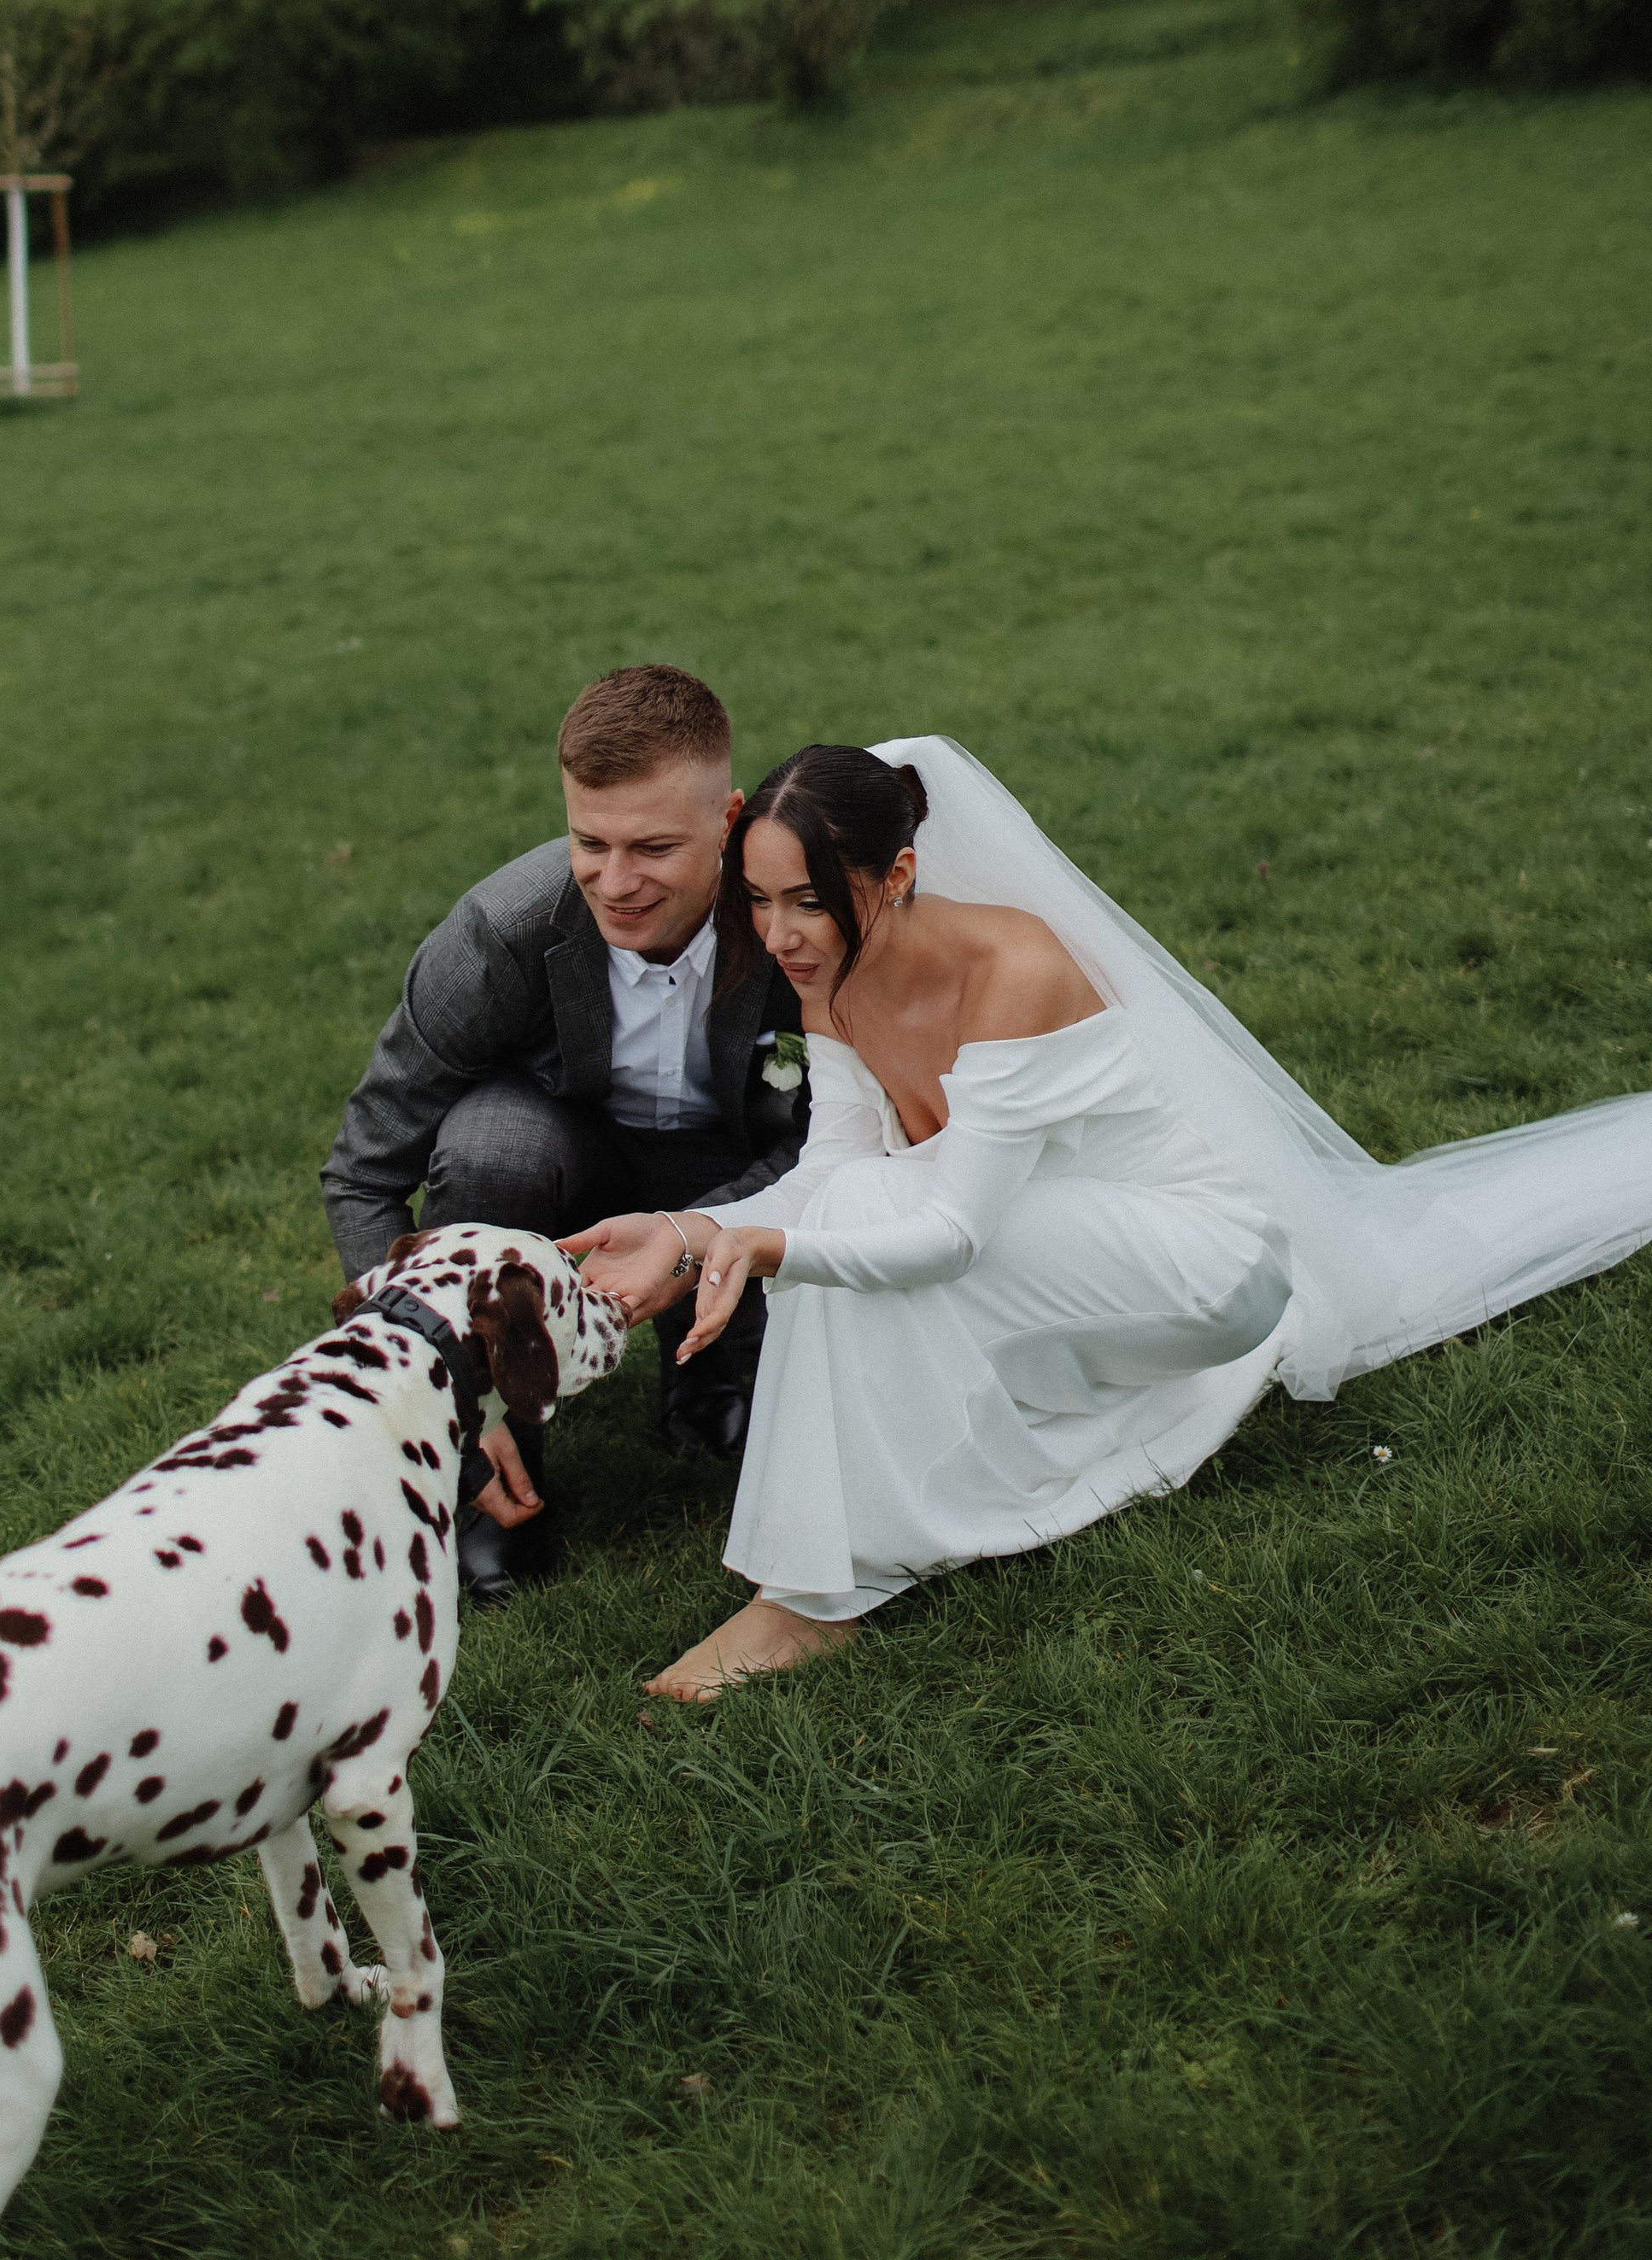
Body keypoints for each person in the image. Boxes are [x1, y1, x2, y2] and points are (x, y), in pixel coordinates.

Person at [565, 737, 1652, 1699]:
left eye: (808, 899)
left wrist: (769, 1249)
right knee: (851, 1201)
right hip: (1062, 1244)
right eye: (758, 901)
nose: (781, 933)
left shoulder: (1013, 968)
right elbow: (830, 1170)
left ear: (896, 874)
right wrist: (689, 1228)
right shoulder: (832, 977)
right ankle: (838, 1559)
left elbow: (953, 1237)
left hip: (1202, 1266)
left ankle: (815, 1597)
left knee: (855, 1226)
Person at [320, 665, 810, 1603]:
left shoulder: (792, 914)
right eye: (590, 842)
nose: (614, 882)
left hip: (740, 1165)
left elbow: (840, 1136)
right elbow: (362, 1173)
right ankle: (499, 1473)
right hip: (570, 1160)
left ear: (729, 820)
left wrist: (684, 1246)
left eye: (654, 847)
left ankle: (709, 1375)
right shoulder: (505, 929)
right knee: (488, 1148)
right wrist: (439, 1388)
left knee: (758, 1413)